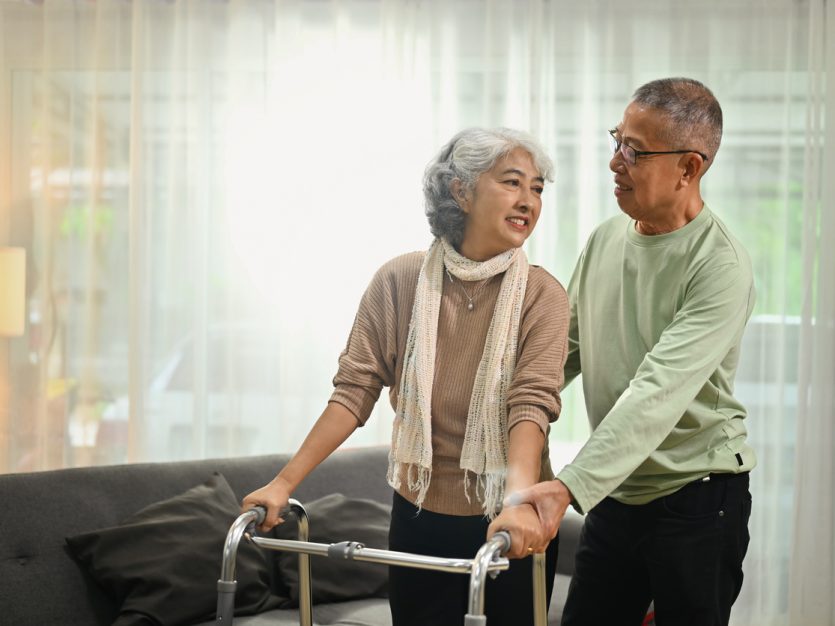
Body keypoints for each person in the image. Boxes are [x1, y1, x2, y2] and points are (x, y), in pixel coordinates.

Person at [242, 127, 570, 626]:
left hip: (506, 522)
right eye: (512, 182)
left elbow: (530, 408)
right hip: (418, 513)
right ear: (460, 190)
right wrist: (283, 484)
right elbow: (353, 392)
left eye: (538, 188)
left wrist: (520, 503)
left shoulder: (542, 295)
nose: (528, 200)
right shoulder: (399, 281)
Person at [499, 78, 756, 626]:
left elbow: (655, 393)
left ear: (689, 168)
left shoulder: (720, 265)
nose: (616, 161)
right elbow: (560, 352)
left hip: (698, 497)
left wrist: (569, 485)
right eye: (617, 140)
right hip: (617, 490)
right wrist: (488, 405)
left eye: (634, 150)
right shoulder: (605, 240)